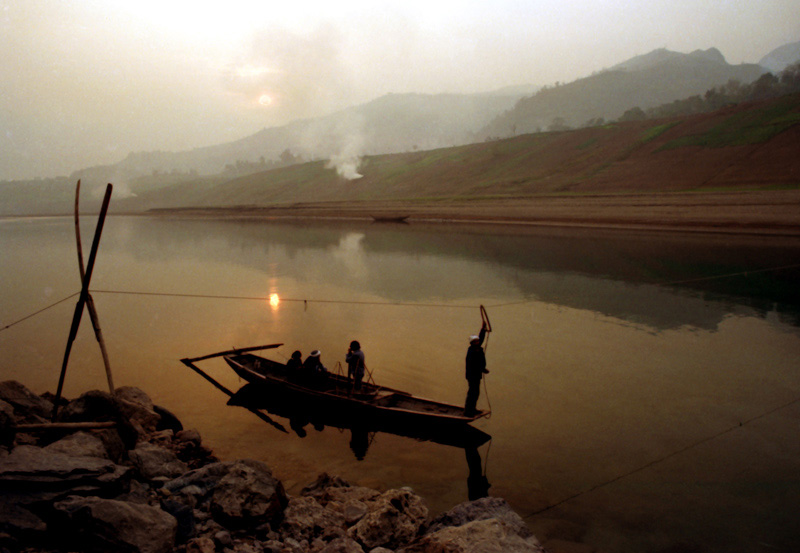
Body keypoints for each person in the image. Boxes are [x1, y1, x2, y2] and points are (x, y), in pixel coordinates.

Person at [464, 322, 489, 416]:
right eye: (476, 341)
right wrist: (483, 369)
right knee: (472, 393)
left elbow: (481, 338)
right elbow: (475, 364)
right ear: (472, 343)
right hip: (472, 375)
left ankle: (472, 409)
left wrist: (483, 329)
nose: (478, 342)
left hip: (476, 375)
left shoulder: (476, 348)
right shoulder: (472, 352)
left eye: (478, 341)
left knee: (475, 393)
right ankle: (468, 411)